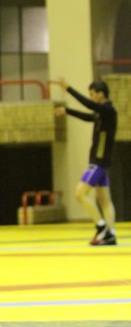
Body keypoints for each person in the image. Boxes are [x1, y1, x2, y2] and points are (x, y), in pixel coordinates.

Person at [53, 78, 118, 246]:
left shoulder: (108, 110)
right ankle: (110, 234)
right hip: (102, 161)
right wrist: (67, 111)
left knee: (79, 193)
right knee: (104, 200)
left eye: (92, 94)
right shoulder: (102, 112)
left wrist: (68, 88)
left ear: (101, 94)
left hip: (99, 161)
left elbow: (89, 106)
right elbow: (88, 116)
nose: (91, 97)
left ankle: (101, 226)